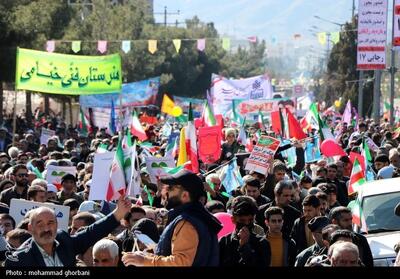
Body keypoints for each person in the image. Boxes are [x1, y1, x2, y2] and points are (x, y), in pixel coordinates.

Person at [121, 169, 222, 266]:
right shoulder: (194, 216)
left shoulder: (187, 222)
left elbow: (181, 262)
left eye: (171, 188)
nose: (166, 192)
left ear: (185, 195)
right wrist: (151, 255)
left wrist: (145, 261)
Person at [4, 195, 131, 267]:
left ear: (57, 224)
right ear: (30, 228)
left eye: (50, 223)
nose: (47, 229)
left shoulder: (63, 240)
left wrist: (118, 213)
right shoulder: (19, 260)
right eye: (40, 224)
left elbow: (91, 233)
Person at [219, 196, 271, 266]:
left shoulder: (262, 243)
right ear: (233, 219)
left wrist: (244, 247)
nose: (246, 224)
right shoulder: (223, 242)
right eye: (242, 220)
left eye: (250, 220)